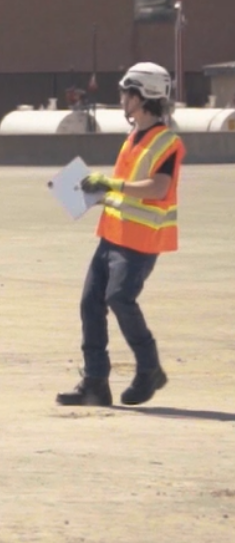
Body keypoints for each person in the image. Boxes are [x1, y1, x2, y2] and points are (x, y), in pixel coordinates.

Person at [57, 62, 184, 407]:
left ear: (142, 96)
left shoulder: (166, 142)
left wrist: (111, 184)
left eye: (126, 92)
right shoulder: (133, 138)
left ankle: (149, 368)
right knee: (90, 303)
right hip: (112, 235)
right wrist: (98, 196)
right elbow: (128, 192)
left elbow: (158, 188)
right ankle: (95, 383)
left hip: (139, 243)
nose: (122, 98)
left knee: (119, 298)